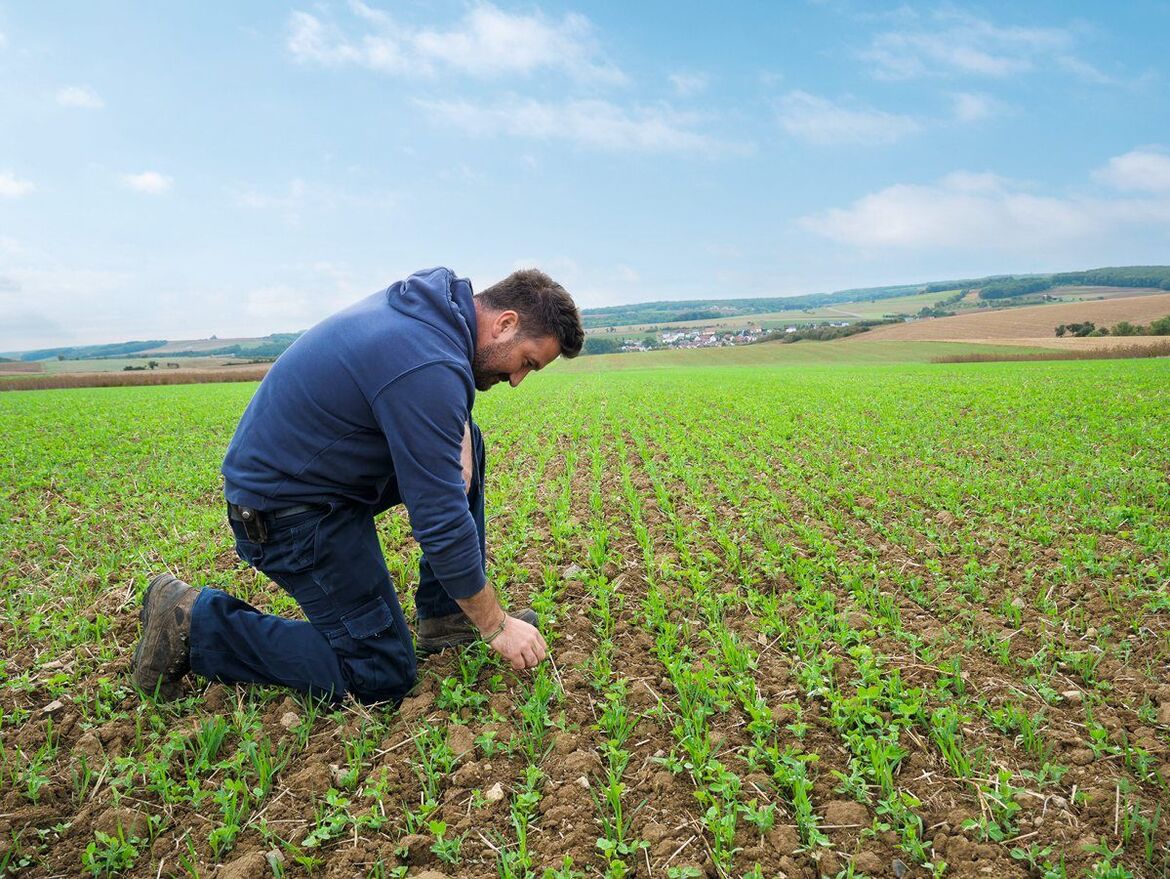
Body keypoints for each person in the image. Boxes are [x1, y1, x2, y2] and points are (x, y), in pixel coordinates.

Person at [130, 266, 584, 704]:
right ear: (505, 323)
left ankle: (445, 615)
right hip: (284, 514)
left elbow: (420, 391)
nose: (517, 380)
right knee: (380, 671)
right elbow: (440, 519)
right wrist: (496, 625)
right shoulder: (427, 361)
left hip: (318, 483)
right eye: (526, 362)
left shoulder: (436, 308)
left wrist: (462, 423)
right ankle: (195, 622)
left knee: (467, 441)